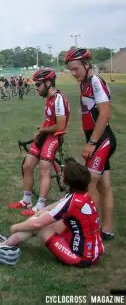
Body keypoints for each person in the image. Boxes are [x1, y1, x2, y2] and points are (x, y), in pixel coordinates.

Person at [0, 158, 104, 267]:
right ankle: (11, 242)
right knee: (43, 221)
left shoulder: (71, 202)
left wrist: (15, 227)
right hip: (92, 251)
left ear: (68, 181)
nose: (60, 175)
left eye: (62, 174)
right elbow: (47, 209)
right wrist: (35, 217)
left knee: (40, 226)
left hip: (81, 258)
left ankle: (1, 246)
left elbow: (37, 225)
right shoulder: (81, 195)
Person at [64, 47, 116, 240]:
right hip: (97, 140)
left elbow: (105, 114)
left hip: (102, 140)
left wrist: (92, 142)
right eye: (71, 69)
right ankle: (107, 229)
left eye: (76, 68)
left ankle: (90, 230)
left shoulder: (95, 82)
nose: (73, 73)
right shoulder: (84, 82)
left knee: (89, 184)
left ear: (87, 65)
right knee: (104, 185)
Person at [8, 68, 69, 216]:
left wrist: (42, 130)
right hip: (44, 136)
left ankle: (40, 206)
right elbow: (49, 121)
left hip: (54, 138)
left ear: (48, 83)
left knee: (44, 170)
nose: (36, 88)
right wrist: (41, 130)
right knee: (27, 165)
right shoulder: (49, 98)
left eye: (38, 85)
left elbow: (60, 126)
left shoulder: (59, 99)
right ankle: (26, 200)